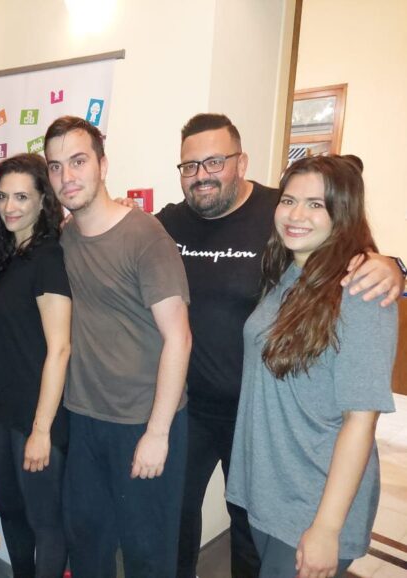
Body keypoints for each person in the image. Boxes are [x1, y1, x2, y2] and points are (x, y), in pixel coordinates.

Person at [155, 113, 405, 578]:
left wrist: (394, 266)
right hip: (217, 422)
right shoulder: (283, 266)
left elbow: (360, 419)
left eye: (214, 161)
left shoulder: (332, 266)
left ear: (241, 162)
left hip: (283, 444)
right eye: (190, 165)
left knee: (255, 549)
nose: (202, 174)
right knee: (184, 520)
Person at [227, 155, 396, 577]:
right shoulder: (288, 272)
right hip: (271, 490)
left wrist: (327, 528)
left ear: (343, 212)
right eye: (288, 200)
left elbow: (361, 421)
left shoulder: (361, 292)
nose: (296, 215)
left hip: (315, 500)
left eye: (316, 204)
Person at [44, 116, 191, 578]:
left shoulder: (145, 236)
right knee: (87, 545)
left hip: (142, 421)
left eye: (78, 161)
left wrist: (158, 433)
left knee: (148, 555)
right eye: (55, 166)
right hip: (85, 418)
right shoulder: (65, 237)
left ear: (103, 166)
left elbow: (179, 337)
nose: (67, 176)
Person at [0, 153, 71, 577]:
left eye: (21, 197)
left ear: (42, 201)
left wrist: (41, 430)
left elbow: (60, 348)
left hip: (35, 415)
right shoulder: (17, 256)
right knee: (10, 510)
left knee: (45, 521)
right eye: (2, 197)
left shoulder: (48, 258)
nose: (9, 207)